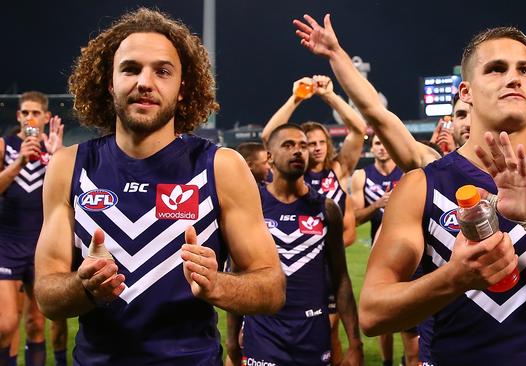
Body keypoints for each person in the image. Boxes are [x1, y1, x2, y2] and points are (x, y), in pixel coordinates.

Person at [294, 15, 526, 365]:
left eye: (525, 71)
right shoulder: (422, 184)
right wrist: (455, 278)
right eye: (496, 69)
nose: (514, 78)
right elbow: (374, 314)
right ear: (465, 92)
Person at [33, 8, 285, 365]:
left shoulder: (221, 167)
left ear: (184, 87)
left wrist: (218, 284)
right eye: (131, 69)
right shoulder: (69, 166)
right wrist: (83, 287)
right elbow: (46, 294)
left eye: (162, 71)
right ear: (109, 82)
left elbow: (272, 287)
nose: (145, 82)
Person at [230, 124, 363, 365]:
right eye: (288, 145)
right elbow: (237, 273)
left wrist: (355, 342)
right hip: (264, 332)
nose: (298, 151)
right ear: (269, 156)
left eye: (303, 146)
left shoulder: (326, 209)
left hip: (312, 333)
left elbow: (340, 277)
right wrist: (231, 339)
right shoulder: (252, 205)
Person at [261, 74, 364, 363]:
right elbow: (271, 137)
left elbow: (358, 129)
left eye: (320, 142)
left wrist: (330, 95)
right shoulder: (292, 173)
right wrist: (297, 98)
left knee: (329, 333)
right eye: (310, 142)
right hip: (296, 268)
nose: (316, 147)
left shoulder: (338, 169)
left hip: (326, 265)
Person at [0, 91, 65, 366]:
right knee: (5, 326)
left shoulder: (54, 150)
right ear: (18, 116)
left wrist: (56, 156)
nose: (30, 118)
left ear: (46, 117)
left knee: (37, 323)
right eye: (25, 113)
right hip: (7, 244)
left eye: (35, 113)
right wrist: (19, 163)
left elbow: (66, 196)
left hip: (41, 247)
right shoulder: (5, 146)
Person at [351, 135, 418, 365]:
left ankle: (409, 357)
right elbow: (355, 218)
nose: (382, 148)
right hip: (379, 253)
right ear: (372, 148)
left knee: (408, 314)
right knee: (384, 315)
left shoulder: (408, 172)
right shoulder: (362, 176)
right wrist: (377, 205)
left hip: (409, 251)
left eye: (385, 142)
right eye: (377, 144)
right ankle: (387, 361)